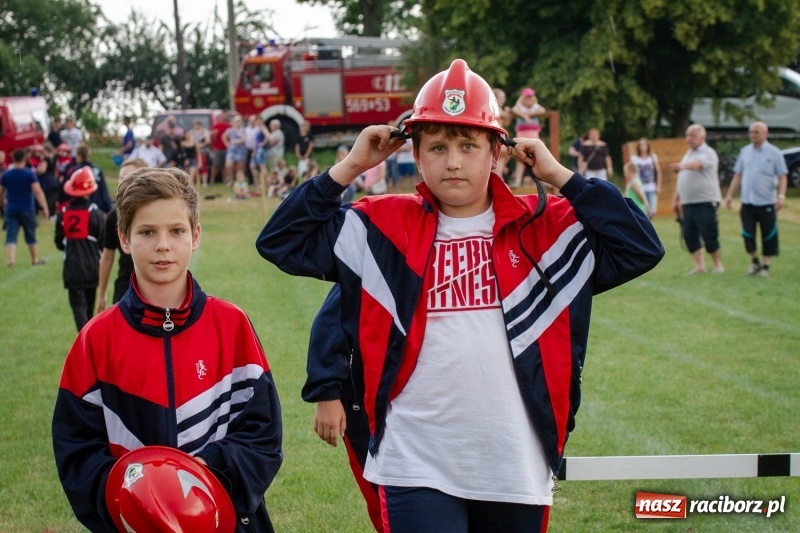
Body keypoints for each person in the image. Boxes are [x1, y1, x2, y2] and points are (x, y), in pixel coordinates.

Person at [256, 58, 663, 533]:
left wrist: (561, 177)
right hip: (414, 459)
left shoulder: (548, 228)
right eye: (437, 146)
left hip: (515, 460)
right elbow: (282, 241)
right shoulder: (381, 226)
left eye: (469, 145)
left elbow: (640, 246)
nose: (452, 161)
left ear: (497, 153)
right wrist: (351, 166)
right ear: (416, 154)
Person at [52, 167, 283, 532]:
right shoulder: (96, 339)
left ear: (195, 236)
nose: (163, 244)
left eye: (176, 231)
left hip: (227, 520)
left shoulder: (232, 324)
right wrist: (133, 493)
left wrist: (207, 471)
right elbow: (76, 449)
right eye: (147, 232)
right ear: (124, 239)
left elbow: (263, 434)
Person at [724, 121, 788, 277]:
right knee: (747, 234)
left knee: (768, 234)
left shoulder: (774, 153)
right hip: (748, 202)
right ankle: (754, 262)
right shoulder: (745, 152)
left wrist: (781, 196)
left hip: (766, 202)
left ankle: (766, 266)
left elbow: (782, 176)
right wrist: (729, 195)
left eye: (756, 132)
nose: (753, 135)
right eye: (751, 132)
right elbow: (738, 175)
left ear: (765, 134)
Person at [54, 167, 106, 331]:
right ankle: (88, 339)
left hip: (72, 267)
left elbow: (58, 241)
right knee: (89, 308)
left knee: (78, 307)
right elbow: (103, 242)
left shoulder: (63, 213)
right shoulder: (96, 214)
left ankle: (83, 339)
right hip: (92, 266)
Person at [96, 158, 148, 314]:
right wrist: (102, 293)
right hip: (125, 288)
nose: (124, 183)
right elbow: (107, 257)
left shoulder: (155, 214)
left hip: (153, 287)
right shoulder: (113, 217)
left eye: (129, 178)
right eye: (121, 178)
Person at [671, 124, 724, 275]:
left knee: (709, 233)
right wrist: (676, 198)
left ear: (702, 137)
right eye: (687, 135)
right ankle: (699, 266)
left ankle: (717, 264)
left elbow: (697, 165)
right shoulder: (688, 153)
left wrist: (681, 166)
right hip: (688, 202)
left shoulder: (708, 153)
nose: (688, 139)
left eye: (692, 136)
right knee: (689, 234)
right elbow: (683, 178)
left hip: (705, 200)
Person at [0, 149, 49, 267]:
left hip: (11, 209)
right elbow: (37, 191)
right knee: (30, 234)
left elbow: (1, 192)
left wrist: (3, 203)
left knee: (11, 235)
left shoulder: (6, 174)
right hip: (27, 208)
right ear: (24, 159)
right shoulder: (29, 174)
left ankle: (11, 260)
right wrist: (44, 207)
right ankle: (34, 259)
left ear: (13, 159)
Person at [511, 87, 547, 187]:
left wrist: (529, 114)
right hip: (522, 134)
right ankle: (517, 181)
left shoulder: (534, 107)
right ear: (522, 98)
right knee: (520, 156)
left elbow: (542, 111)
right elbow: (514, 110)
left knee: (537, 156)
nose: (528, 100)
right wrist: (524, 116)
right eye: (526, 97)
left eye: (530, 97)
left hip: (533, 134)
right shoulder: (520, 107)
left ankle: (543, 180)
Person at [69, 145, 114, 214]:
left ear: (79, 156)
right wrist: (109, 208)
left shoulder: (76, 171)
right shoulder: (98, 170)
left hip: (81, 209)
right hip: (99, 208)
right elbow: (104, 191)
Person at [630, 137, 662, 217]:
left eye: (644, 145)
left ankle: (649, 226)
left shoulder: (652, 157)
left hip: (651, 186)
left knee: (652, 211)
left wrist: (658, 185)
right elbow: (631, 171)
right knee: (642, 210)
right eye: (641, 145)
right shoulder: (635, 159)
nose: (643, 147)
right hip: (640, 187)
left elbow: (658, 172)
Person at [492, 88, 515, 182]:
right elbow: (502, 115)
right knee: (503, 151)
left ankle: (500, 173)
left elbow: (507, 122)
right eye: (500, 98)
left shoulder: (501, 109)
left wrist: (508, 113)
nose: (503, 100)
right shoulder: (493, 107)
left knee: (508, 151)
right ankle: (498, 174)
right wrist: (509, 113)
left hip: (501, 136)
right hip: (495, 136)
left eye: (503, 98)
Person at [223, 115, 248, 185]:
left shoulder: (244, 130)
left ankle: (239, 181)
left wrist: (234, 141)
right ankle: (230, 180)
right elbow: (224, 136)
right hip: (232, 151)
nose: (238, 122)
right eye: (236, 121)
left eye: (239, 121)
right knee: (228, 165)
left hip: (241, 151)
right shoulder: (230, 130)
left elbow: (244, 140)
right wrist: (227, 144)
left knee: (240, 167)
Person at [210, 112, 231, 184]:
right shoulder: (217, 125)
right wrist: (213, 135)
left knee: (225, 166)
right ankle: (212, 180)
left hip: (226, 149)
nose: (224, 117)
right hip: (217, 149)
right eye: (223, 116)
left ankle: (224, 180)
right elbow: (211, 135)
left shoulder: (230, 126)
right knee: (216, 165)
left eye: (225, 115)